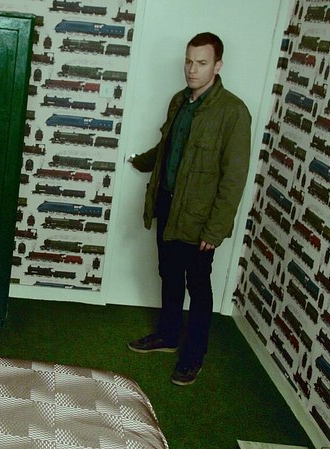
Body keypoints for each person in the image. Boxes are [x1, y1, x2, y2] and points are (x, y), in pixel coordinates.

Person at [127, 32, 252, 386]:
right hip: (168, 205)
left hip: (199, 219)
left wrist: (215, 229)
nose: (192, 70)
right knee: (168, 274)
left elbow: (234, 178)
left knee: (197, 286)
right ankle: (168, 335)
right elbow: (167, 147)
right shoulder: (179, 101)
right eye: (188, 61)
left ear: (218, 66)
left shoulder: (233, 112)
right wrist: (141, 161)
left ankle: (193, 356)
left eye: (201, 63)